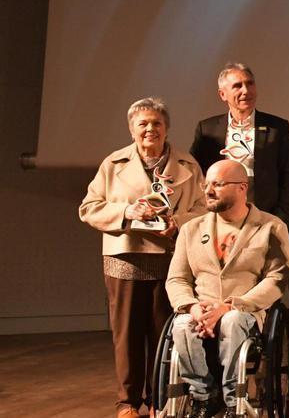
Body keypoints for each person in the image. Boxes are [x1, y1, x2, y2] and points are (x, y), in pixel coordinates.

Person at [79, 97, 207, 418]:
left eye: (157, 123)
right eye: (143, 124)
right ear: (131, 129)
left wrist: (178, 222)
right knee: (127, 336)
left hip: (170, 257)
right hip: (126, 258)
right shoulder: (114, 163)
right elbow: (89, 208)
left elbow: (204, 209)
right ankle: (127, 403)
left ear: (167, 128)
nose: (150, 129)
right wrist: (126, 210)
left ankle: (159, 400)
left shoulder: (188, 165)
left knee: (164, 334)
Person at [166, 160, 289, 418]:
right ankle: (203, 397)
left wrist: (232, 305)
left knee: (233, 321)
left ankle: (235, 400)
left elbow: (277, 277)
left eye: (218, 184)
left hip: (245, 310)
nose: (208, 191)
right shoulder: (191, 229)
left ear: (241, 188)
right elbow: (176, 279)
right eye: (207, 184)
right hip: (201, 307)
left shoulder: (270, 227)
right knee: (181, 325)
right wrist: (192, 306)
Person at [191, 62, 289, 223]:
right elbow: (195, 173)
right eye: (237, 86)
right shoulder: (207, 129)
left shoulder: (277, 127)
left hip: (265, 216)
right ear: (222, 94)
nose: (246, 91)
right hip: (219, 216)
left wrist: (282, 217)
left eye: (250, 83)